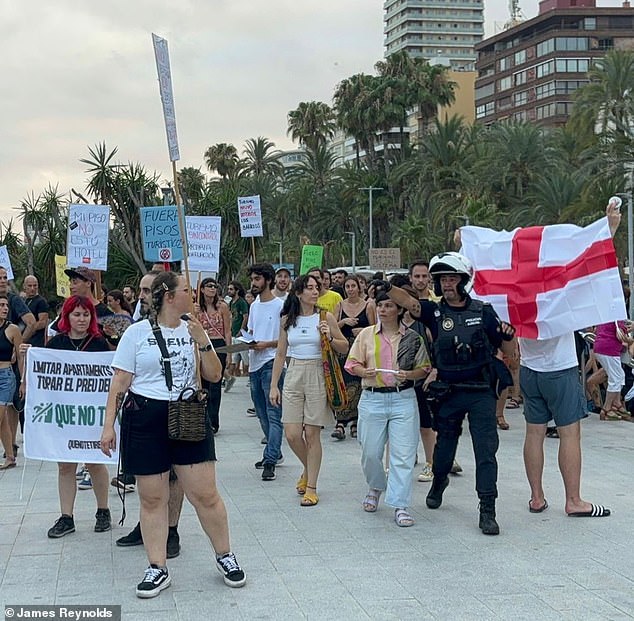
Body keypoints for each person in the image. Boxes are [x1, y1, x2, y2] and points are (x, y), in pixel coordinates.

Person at [100, 271, 246, 598]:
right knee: (153, 497)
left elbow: (214, 374)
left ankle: (225, 555)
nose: (192, 295)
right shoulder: (136, 334)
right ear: (169, 296)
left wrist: (203, 341)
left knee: (205, 495)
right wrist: (109, 425)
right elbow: (119, 383)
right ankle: (157, 566)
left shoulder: (194, 330)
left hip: (188, 414)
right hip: (146, 417)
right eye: (185, 290)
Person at [377, 252, 516, 535]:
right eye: (442, 279)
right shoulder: (433, 312)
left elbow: (509, 353)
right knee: (443, 451)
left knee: (486, 452)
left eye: (452, 278)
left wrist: (508, 336)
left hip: (480, 391)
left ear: (463, 281)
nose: (447, 284)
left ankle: (487, 508)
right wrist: (387, 288)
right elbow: (408, 302)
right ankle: (439, 481)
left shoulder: (484, 312)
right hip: (449, 391)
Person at [520, 200, 619, 519]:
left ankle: (536, 497)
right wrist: (610, 228)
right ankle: (574, 499)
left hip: (529, 370)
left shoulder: (517, 291)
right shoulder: (558, 290)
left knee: (534, 433)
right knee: (569, 433)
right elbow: (591, 269)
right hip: (559, 370)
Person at [345, 292, 431, 527]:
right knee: (370, 452)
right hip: (372, 398)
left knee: (402, 455)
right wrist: (363, 371)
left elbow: (424, 368)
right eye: (380, 305)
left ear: (399, 310)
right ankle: (376, 485)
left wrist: (409, 375)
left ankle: (400, 505)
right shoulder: (366, 335)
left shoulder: (413, 338)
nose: (383, 310)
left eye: (389, 306)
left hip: (402, 399)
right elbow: (352, 363)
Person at [30, 296, 112, 536]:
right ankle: (67, 517)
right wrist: (29, 354)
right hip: (66, 419)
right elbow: (43, 374)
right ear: (66, 317)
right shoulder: (56, 344)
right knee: (65, 465)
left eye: (86, 314)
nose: (82, 319)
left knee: (95, 463)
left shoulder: (99, 343)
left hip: (91, 418)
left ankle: (103, 510)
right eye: (77, 314)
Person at [270, 275, 348, 506]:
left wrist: (330, 336)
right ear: (298, 293)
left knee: (312, 434)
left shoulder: (326, 316)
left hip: (318, 371)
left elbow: (343, 346)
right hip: (293, 372)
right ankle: (308, 468)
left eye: (317, 288)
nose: (315, 292)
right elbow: (281, 353)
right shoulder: (287, 320)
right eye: (310, 288)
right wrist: (274, 385)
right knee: (292, 433)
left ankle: (311, 486)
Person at [248, 263, 285, 480]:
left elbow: (284, 338)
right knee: (261, 413)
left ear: (267, 280)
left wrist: (266, 344)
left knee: (273, 414)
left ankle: (270, 460)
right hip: (254, 363)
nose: (253, 283)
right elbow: (252, 331)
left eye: (257, 279)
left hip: (272, 362)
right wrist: (247, 342)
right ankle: (275, 451)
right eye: (252, 279)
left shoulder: (281, 305)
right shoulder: (254, 306)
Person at [331, 275, 376, 440]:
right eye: (347, 287)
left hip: (361, 349)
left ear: (359, 287)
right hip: (343, 349)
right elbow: (332, 326)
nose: (350, 289)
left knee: (357, 384)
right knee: (342, 383)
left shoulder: (368, 306)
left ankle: (356, 421)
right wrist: (344, 323)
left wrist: (362, 330)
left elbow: (374, 327)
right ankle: (340, 422)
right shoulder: (339, 305)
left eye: (353, 286)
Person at [196, 277, 231, 433]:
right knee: (203, 384)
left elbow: (227, 330)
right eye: (208, 286)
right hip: (203, 344)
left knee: (216, 384)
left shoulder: (222, 307)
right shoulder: (197, 307)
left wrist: (229, 353)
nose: (212, 289)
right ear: (202, 289)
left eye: (214, 286)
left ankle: (213, 422)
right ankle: (202, 419)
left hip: (219, 344)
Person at [0, 294, 22, 470]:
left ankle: (10, 455)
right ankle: (10, 456)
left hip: (6, 376)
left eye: (6, 305)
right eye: (1, 305)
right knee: (3, 421)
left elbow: (20, 356)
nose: (5, 308)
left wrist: (23, 380)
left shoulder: (13, 329)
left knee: (0, 416)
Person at [227, 280, 250, 381]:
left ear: (237, 290)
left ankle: (246, 377)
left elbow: (245, 316)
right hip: (233, 334)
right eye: (228, 289)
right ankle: (230, 379)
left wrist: (241, 329)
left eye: (231, 289)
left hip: (242, 335)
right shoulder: (231, 302)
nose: (229, 291)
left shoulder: (241, 302)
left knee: (246, 359)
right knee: (233, 359)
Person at [23, 275, 49, 347]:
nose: (32, 288)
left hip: (36, 341)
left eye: (35, 286)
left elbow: (43, 322)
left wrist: (28, 331)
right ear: (24, 286)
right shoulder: (24, 301)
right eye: (29, 286)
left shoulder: (41, 301)